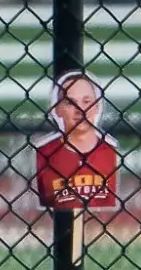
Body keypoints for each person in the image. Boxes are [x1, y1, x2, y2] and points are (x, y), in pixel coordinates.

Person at [35, 71, 120, 212]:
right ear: (57, 109)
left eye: (86, 102)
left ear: (97, 106)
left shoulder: (111, 152)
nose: (80, 110)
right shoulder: (44, 153)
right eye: (70, 103)